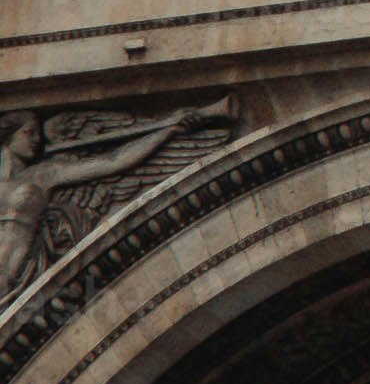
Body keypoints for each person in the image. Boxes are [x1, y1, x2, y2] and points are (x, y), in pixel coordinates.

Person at [0, 100, 227, 302]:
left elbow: (114, 161)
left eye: (37, 133)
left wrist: (166, 130)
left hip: (20, 270)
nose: (37, 140)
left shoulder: (43, 174)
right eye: (28, 133)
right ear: (7, 136)